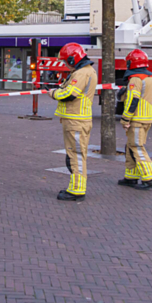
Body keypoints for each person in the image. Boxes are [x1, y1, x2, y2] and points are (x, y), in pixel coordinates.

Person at [50, 43, 97, 202]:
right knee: (77, 155)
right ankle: (76, 187)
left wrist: (54, 93)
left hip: (75, 120)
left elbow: (70, 94)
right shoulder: (86, 71)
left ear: (73, 58)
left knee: (75, 156)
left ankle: (77, 190)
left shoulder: (82, 73)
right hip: (79, 119)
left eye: (66, 62)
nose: (66, 65)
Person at [118, 49, 152, 190]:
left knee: (136, 147)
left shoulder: (135, 79)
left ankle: (150, 178)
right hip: (147, 118)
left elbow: (132, 100)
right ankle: (131, 177)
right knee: (130, 146)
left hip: (136, 119)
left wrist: (125, 118)